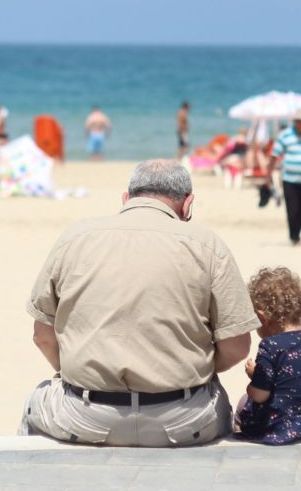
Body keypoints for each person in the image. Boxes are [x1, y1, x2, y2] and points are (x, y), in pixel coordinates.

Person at [20, 159, 257, 447]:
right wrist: (193, 368)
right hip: (183, 420)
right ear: (188, 205)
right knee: (223, 403)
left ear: (126, 199)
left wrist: (74, 371)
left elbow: (42, 336)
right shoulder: (208, 245)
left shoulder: (76, 237)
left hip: (85, 417)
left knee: (35, 401)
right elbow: (237, 346)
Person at [234, 267, 301, 445]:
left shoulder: (271, 346)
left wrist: (255, 378)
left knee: (244, 402)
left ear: (262, 317)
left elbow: (260, 395)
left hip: (280, 423)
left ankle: (241, 429)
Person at [267, 108, 301, 246]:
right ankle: (294, 236)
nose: (300, 124)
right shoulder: (285, 135)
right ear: (295, 122)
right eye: (298, 121)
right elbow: (274, 155)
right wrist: (268, 176)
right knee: (292, 209)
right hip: (289, 179)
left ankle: (296, 233)